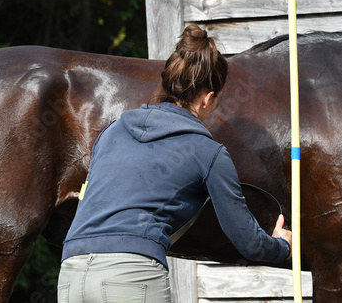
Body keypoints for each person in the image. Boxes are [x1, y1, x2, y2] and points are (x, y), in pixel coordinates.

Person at [57, 24, 292, 303]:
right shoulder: (208, 152)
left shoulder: (112, 131)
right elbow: (248, 241)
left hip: (71, 274)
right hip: (131, 278)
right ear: (208, 98)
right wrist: (282, 246)